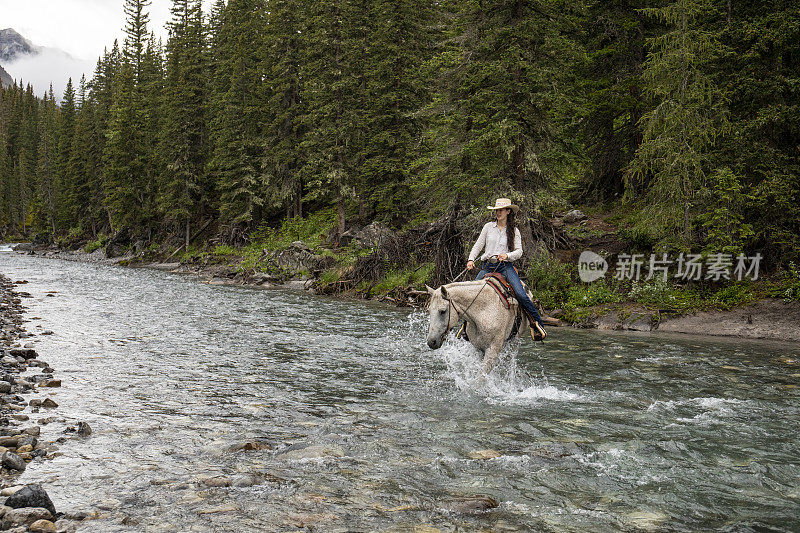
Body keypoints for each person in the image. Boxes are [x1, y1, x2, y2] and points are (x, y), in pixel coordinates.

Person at [467, 198, 546, 340]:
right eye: (497, 210)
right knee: (471, 294)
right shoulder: (488, 227)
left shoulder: (514, 231)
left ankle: (537, 324)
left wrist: (507, 255)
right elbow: (478, 245)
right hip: (487, 266)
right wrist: (471, 259)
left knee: (521, 295)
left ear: (508, 212)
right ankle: (465, 328)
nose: (498, 213)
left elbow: (519, 251)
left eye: (501, 210)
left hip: (504, 267)